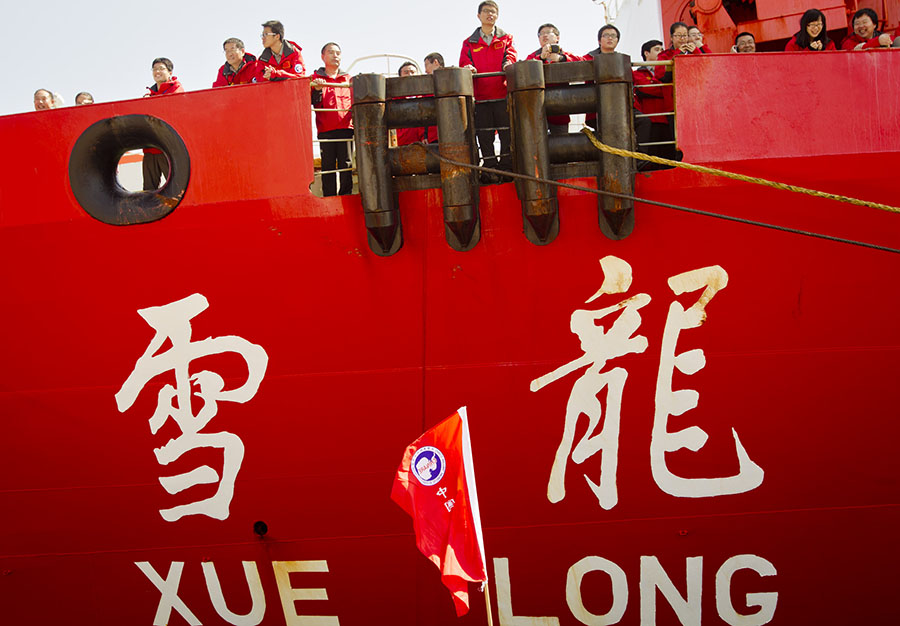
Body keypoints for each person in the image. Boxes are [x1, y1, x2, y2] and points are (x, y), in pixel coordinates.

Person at [459, 0, 517, 177]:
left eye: (493, 12)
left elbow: (511, 56)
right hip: (481, 98)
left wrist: (508, 64)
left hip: (502, 95)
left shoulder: (506, 38)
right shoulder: (469, 43)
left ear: (497, 16)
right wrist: (469, 67)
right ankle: (490, 169)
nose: (490, 14)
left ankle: (506, 168)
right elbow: (464, 62)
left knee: (506, 133)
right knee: (485, 136)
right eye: (486, 11)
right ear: (479, 16)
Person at [311, 43, 353, 196]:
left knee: (346, 164)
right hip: (326, 129)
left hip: (346, 128)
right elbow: (312, 102)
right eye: (331, 52)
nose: (335, 56)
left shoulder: (349, 79)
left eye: (338, 53)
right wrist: (317, 89)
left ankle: (346, 195)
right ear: (323, 56)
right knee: (328, 165)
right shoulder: (315, 79)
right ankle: (329, 197)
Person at [526, 23, 583, 135]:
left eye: (548, 32)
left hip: (560, 112)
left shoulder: (566, 55)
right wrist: (540, 58)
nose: (544, 35)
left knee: (562, 143)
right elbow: (525, 69)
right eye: (541, 34)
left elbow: (582, 63)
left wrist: (561, 59)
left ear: (557, 38)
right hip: (538, 113)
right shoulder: (532, 57)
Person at [143, 57, 184, 191]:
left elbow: (169, 111)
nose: (157, 72)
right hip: (150, 148)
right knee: (148, 190)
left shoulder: (176, 89)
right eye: (154, 69)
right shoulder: (149, 94)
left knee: (176, 189)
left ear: (170, 72)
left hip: (168, 149)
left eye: (161, 68)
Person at [633, 39, 674, 164]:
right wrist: (665, 86)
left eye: (662, 50)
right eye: (657, 50)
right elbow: (649, 89)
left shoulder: (667, 72)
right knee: (653, 155)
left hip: (667, 118)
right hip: (651, 119)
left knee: (669, 155)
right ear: (646, 53)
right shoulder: (637, 73)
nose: (660, 52)